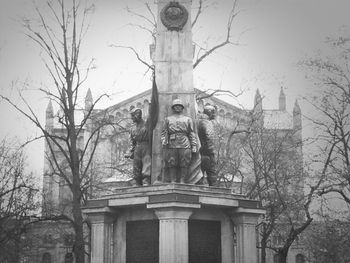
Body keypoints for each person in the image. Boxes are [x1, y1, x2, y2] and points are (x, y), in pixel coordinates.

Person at [161, 99, 198, 183]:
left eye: (179, 106)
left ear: (182, 108)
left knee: (184, 162)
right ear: (173, 108)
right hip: (172, 142)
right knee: (171, 161)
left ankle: (182, 180)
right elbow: (164, 132)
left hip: (185, 142)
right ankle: (173, 180)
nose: (177, 107)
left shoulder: (188, 119)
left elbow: (191, 133)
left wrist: (194, 145)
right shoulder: (168, 119)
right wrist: (164, 141)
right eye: (175, 106)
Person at [124, 108, 151, 186]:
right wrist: (131, 151)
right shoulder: (132, 128)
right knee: (136, 164)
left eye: (133, 116)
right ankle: (137, 181)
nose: (132, 118)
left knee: (146, 163)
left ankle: (146, 180)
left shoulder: (147, 125)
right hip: (137, 147)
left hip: (146, 146)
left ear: (137, 115)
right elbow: (132, 141)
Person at [198, 104, 217, 186]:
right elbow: (209, 137)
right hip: (207, 152)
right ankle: (214, 193)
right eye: (214, 113)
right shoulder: (207, 122)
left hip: (199, 151)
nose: (215, 115)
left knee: (199, 174)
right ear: (209, 112)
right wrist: (211, 151)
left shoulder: (198, 120)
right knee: (212, 173)